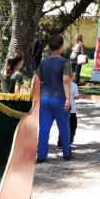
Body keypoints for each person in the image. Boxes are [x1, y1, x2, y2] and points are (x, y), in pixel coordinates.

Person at [32, 34, 72, 162]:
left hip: (44, 98)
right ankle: (66, 153)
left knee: (44, 127)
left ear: (49, 47)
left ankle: (42, 155)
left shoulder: (43, 63)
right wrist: (68, 99)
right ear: (61, 47)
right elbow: (66, 80)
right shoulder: (65, 62)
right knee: (63, 127)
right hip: (60, 97)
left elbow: (37, 80)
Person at [58, 74, 79, 148]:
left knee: (63, 124)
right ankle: (69, 140)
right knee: (72, 125)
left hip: (62, 107)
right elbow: (76, 96)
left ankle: (60, 141)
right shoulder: (74, 85)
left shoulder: (60, 84)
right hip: (71, 108)